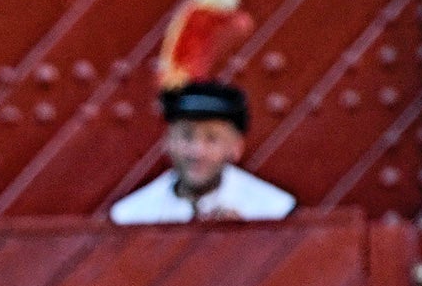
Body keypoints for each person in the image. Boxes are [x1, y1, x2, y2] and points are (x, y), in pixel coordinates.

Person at [109, 80, 295, 225]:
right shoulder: (132, 215)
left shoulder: (273, 210)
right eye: (186, 137)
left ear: (235, 148)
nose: (197, 152)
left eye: (212, 139)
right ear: (168, 142)